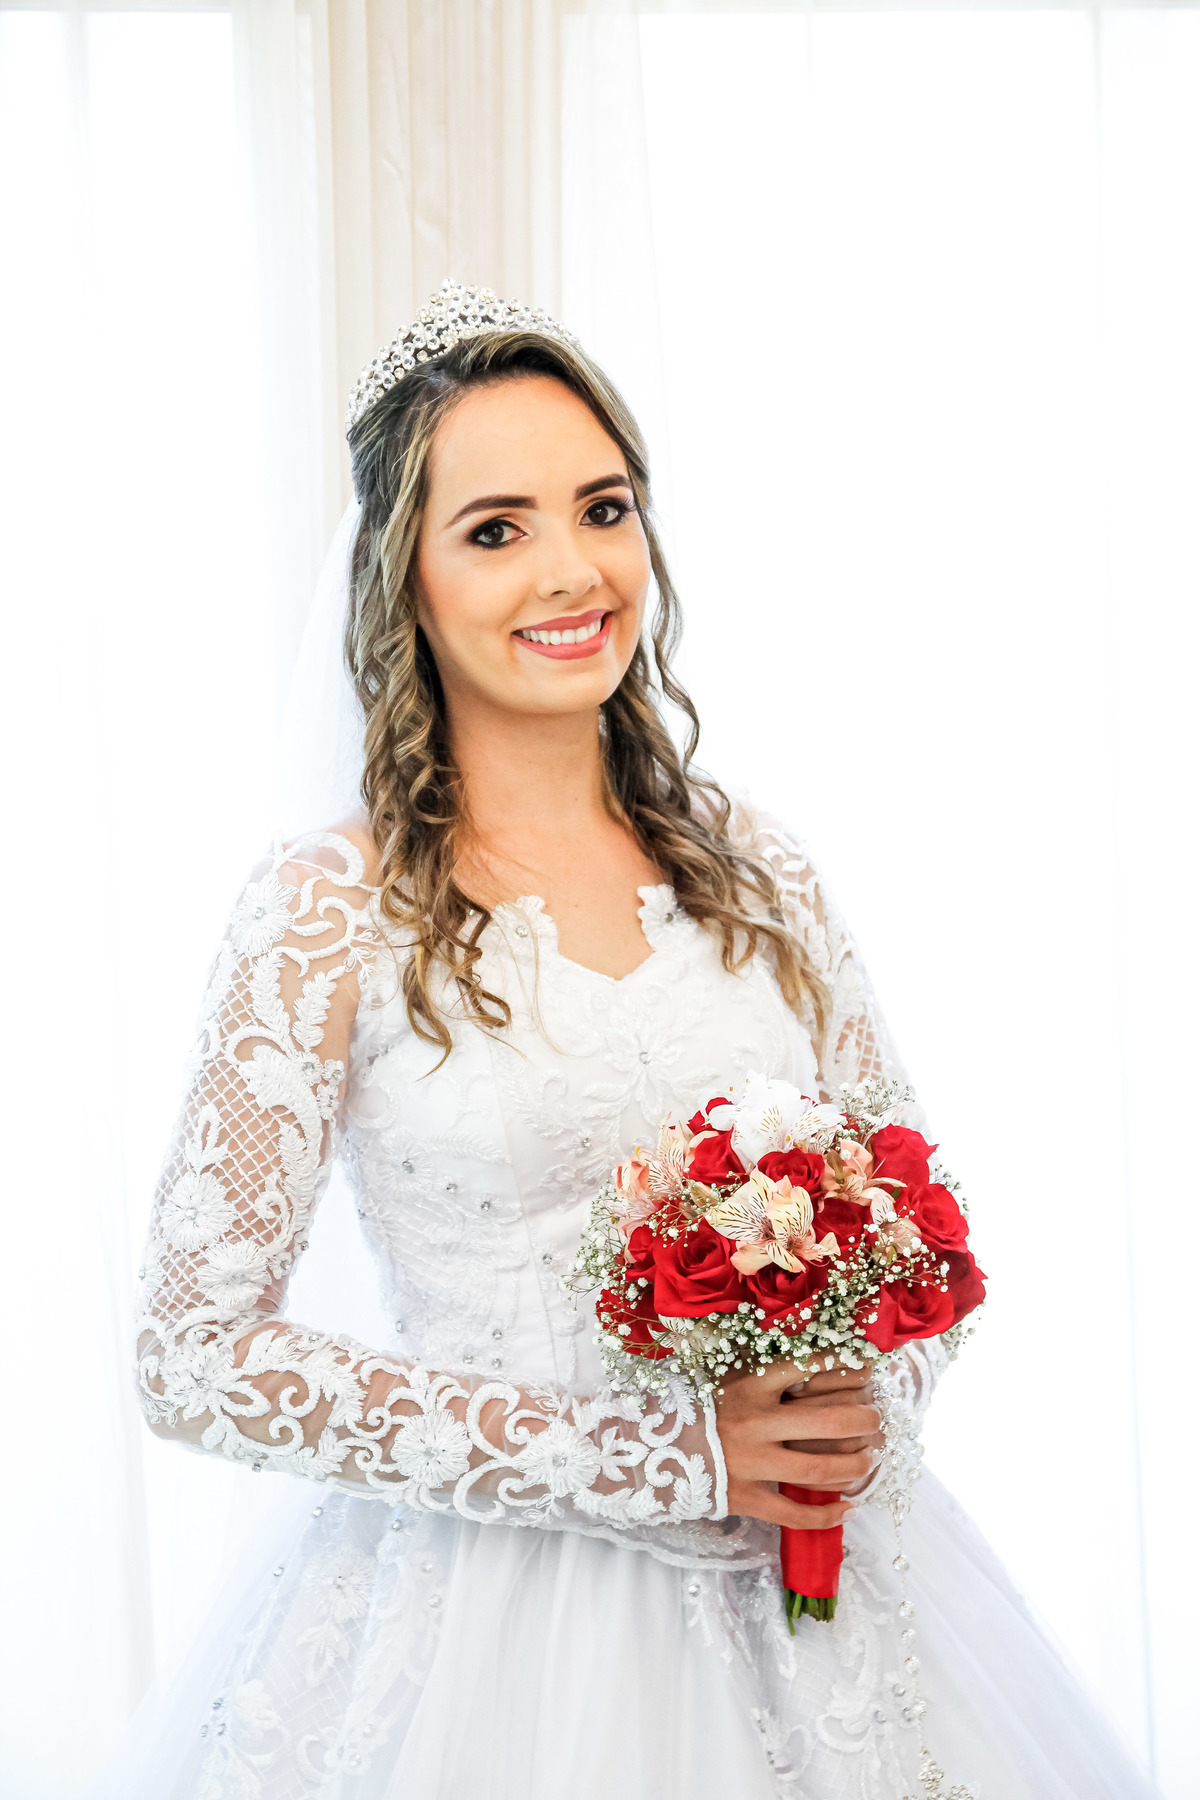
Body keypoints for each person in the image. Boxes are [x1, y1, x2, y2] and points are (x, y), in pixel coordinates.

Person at [118, 284, 1159, 1799]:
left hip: (824, 1598)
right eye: (496, 529)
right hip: (489, 1636)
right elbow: (191, 1355)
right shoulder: (327, 910)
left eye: (602, 509)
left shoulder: (760, 869)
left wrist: (851, 1411)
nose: (571, 570)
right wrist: (663, 1461)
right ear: (404, 580)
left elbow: (914, 1221)